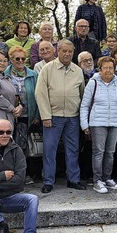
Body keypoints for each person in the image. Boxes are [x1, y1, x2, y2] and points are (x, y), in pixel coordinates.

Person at [35, 39, 86, 193]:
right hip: (53, 117)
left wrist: (81, 116)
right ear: (58, 51)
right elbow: (40, 93)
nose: (67, 54)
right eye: (64, 51)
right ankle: (48, 181)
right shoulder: (47, 69)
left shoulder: (77, 70)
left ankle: (73, 179)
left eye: (70, 51)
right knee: (50, 150)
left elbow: (82, 93)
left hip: (72, 116)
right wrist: (45, 116)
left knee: (73, 149)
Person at [80, 56, 117, 194]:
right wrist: (85, 125)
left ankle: (107, 178)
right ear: (100, 70)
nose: (108, 70)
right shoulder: (93, 83)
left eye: (110, 68)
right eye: (105, 68)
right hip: (97, 123)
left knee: (110, 153)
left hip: (115, 123)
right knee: (98, 152)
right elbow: (84, 105)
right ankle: (97, 180)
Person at [5, 45, 40, 183]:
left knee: (24, 147)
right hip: (9, 116)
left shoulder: (33, 74)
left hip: (27, 116)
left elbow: (38, 95)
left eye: (23, 58)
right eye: (17, 58)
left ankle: (23, 174)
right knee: (9, 145)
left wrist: (37, 115)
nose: (20, 61)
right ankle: (10, 174)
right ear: (11, 59)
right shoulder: (5, 74)